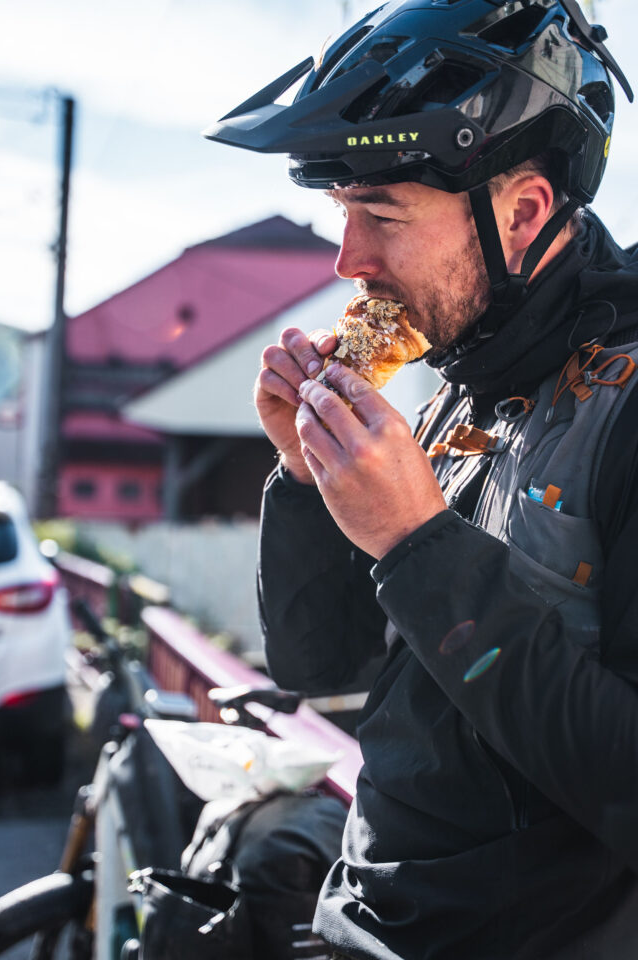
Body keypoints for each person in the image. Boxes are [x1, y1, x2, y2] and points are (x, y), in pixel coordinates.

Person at [204, 1, 638, 957]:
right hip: (366, 914)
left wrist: (417, 541)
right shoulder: (458, 384)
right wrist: (306, 476)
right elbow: (324, 667)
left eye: (382, 213)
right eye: (341, 212)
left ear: (522, 212)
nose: (345, 260)